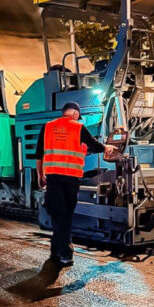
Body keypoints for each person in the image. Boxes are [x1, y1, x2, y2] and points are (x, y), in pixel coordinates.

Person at [34, 102, 116, 269]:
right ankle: (65, 254)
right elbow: (94, 144)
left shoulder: (47, 127)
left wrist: (40, 174)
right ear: (75, 114)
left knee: (58, 215)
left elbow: (39, 153)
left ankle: (55, 252)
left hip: (53, 178)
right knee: (65, 217)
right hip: (70, 179)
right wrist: (106, 147)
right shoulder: (78, 127)